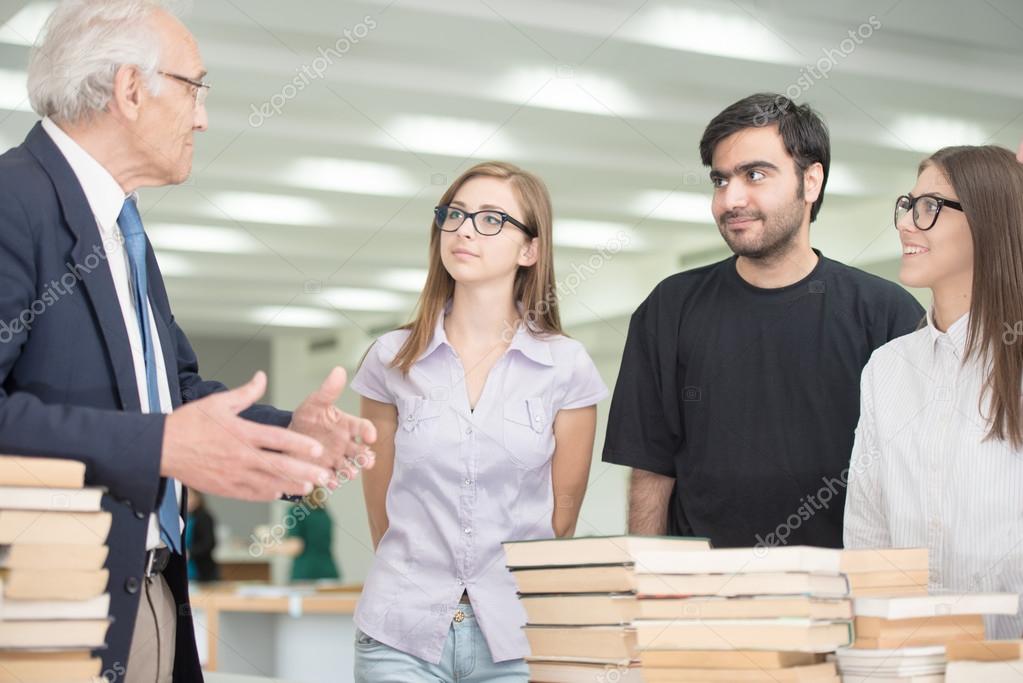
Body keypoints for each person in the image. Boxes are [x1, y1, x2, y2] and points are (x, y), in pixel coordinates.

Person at [0, 2, 376, 680]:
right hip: (47, 613)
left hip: (150, 596)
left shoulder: (122, 226)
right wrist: (160, 446)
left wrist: (288, 437)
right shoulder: (11, 199)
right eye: (195, 87)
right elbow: (159, 429)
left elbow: (169, 392)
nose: (202, 117)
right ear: (130, 88)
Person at [602, 93, 924, 549]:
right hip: (703, 586)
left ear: (811, 181)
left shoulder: (886, 313)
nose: (731, 199)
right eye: (720, 180)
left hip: (841, 584)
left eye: (754, 175)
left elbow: (914, 475)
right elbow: (651, 469)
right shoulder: (669, 308)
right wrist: (647, 579)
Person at [350, 161, 608, 681]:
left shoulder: (566, 366)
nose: (464, 230)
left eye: (491, 219)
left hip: (516, 636)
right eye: (455, 214)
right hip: (399, 631)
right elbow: (381, 513)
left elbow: (561, 521)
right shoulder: (390, 358)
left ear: (529, 250)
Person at [844, 145, 1023, 639]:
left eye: (930, 207)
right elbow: (867, 536)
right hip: (908, 658)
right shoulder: (887, 368)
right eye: (908, 205)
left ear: (988, 221)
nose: (906, 223)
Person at [185, 489, 219, 583]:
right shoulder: (179, 518)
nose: (187, 500)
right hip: (183, 569)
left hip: (201, 569)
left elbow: (209, 543)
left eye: (189, 497)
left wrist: (189, 553)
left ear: (198, 498)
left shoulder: (204, 517)